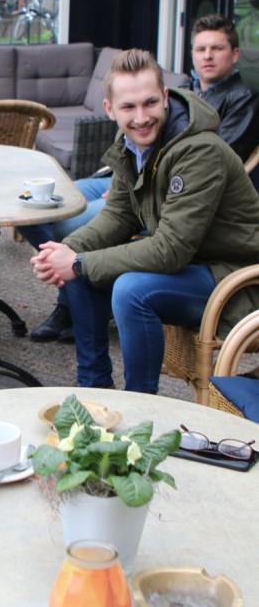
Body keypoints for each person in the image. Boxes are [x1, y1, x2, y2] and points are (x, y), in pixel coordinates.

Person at [30, 48, 259, 393]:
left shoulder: (200, 151)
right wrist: (64, 252)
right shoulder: (130, 144)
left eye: (150, 103)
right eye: (128, 107)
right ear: (110, 109)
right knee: (80, 265)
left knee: (128, 288)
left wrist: (76, 262)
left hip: (237, 277)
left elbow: (170, 250)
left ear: (165, 97)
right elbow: (118, 216)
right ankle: (94, 388)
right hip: (195, 267)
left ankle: (140, 403)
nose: (141, 117)